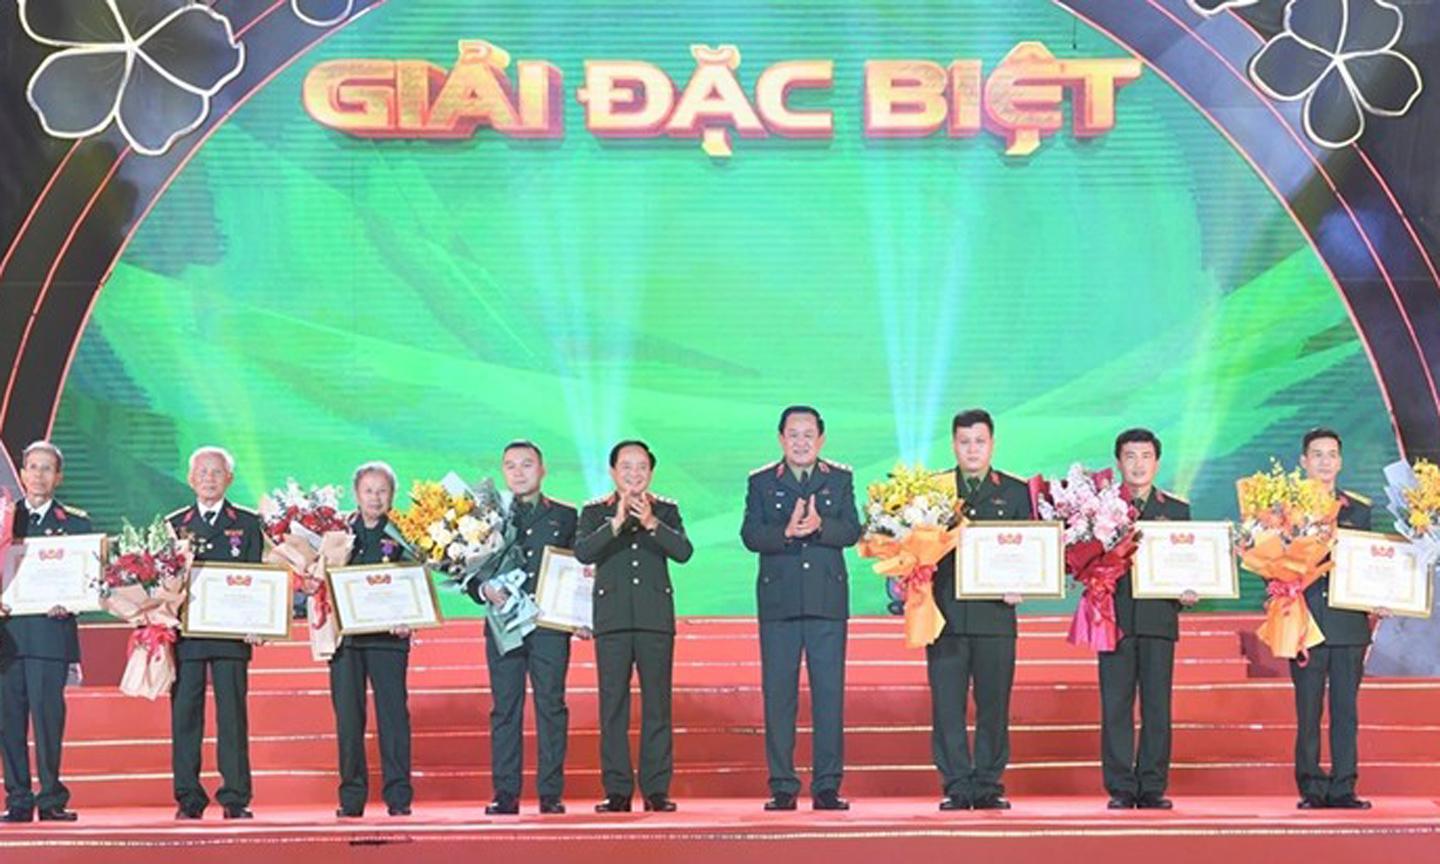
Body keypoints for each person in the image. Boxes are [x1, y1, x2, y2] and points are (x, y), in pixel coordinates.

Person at [741, 406, 860, 811]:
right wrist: (787, 532)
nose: (801, 441)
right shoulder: (761, 482)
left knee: (829, 695)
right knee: (779, 696)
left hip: (827, 602)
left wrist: (821, 526)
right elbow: (751, 534)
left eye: (809, 434)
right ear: (780, 439)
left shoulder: (839, 479)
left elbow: (852, 530)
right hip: (779, 603)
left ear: (821, 439)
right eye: (793, 434)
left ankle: (827, 786)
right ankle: (782, 786)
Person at [576, 440, 692, 813]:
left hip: (655, 619)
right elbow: (584, 552)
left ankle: (657, 790)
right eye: (626, 467)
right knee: (613, 707)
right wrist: (617, 523)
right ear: (613, 472)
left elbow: (684, 552)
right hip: (611, 621)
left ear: (651, 472)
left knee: (657, 706)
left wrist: (650, 523)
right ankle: (617, 791)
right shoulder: (595, 512)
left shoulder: (667, 509)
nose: (634, 474)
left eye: (641, 467)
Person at [467, 441, 579, 816]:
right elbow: (465, 568)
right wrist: (483, 589)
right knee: (505, 709)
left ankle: (550, 793)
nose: (519, 472)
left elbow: (579, 570)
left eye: (527, 464)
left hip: (548, 623)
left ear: (543, 470)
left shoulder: (565, 516)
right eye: (511, 466)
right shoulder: (486, 517)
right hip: (503, 627)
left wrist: (579, 614)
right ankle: (505, 794)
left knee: (551, 706)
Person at [929, 409, 1032, 811]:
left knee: (994, 703)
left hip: (995, 616)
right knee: (947, 705)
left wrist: (1023, 583)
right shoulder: (932, 491)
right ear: (954, 445)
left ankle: (988, 783)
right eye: (964, 442)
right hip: (945, 615)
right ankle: (956, 783)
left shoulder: (1016, 491)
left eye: (980, 441)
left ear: (992, 443)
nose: (972, 449)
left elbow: (1031, 549)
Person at [1100, 428, 1197, 810]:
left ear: (1157, 462)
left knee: (1157, 706)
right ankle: (1121, 787)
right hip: (1114, 619)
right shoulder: (1099, 509)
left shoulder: (1176, 510)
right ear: (1118, 461)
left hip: (1159, 619)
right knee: (1116, 706)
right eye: (1130, 456)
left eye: (1145, 456)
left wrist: (1191, 591)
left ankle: (1153, 785)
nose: (1138, 464)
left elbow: (1191, 563)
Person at [167, 447, 264, 820]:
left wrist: (259, 622)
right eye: (202, 472)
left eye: (217, 472)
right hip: (187, 637)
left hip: (231, 637)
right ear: (191, 479)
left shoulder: (249, 523)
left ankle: (236, 797)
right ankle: (188, 797)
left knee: (233, 717)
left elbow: (260, 579)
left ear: (229, 479)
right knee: (185, 716)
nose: (209, 478)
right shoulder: (175, 524)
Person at [1292, 427, 1380, 810]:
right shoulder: (1283, 509)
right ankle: (1311, 787)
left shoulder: (1359, 509)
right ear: (1303, 461)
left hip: (1348, 623)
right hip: (1303, 621)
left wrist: (1381, 595)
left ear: (1341, 462)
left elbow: (1374, 563)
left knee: (1346, 710)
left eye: (1331, 454)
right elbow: (1268, 563)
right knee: (1308, 712)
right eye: (1317, 454)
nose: (1325, 461)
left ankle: (1344, 787)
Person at [0, 441, 88, 823]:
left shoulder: (77, 524)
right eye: (32, 467)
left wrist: (70, 600)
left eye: (46, 468)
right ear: (20, 474)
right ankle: (18, 799)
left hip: (50, 635)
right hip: (9, 635)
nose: (38, 475)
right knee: (9, 722)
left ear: (59, 476)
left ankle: (51, 798)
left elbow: (88, 580)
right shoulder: (4, 519)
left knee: (49, 721)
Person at [331, 461, 415, 818]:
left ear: (392, 495)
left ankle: (398, 798)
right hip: (345, 642)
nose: (375, 497)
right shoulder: (336, 533)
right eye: (369, 490)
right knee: (349, 721)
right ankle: (352, 799)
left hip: (388, 640)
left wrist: (410, 617)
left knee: (393, 718)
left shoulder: (404, 533)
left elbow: (415, 581)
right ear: (356, 494)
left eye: (382, 491)